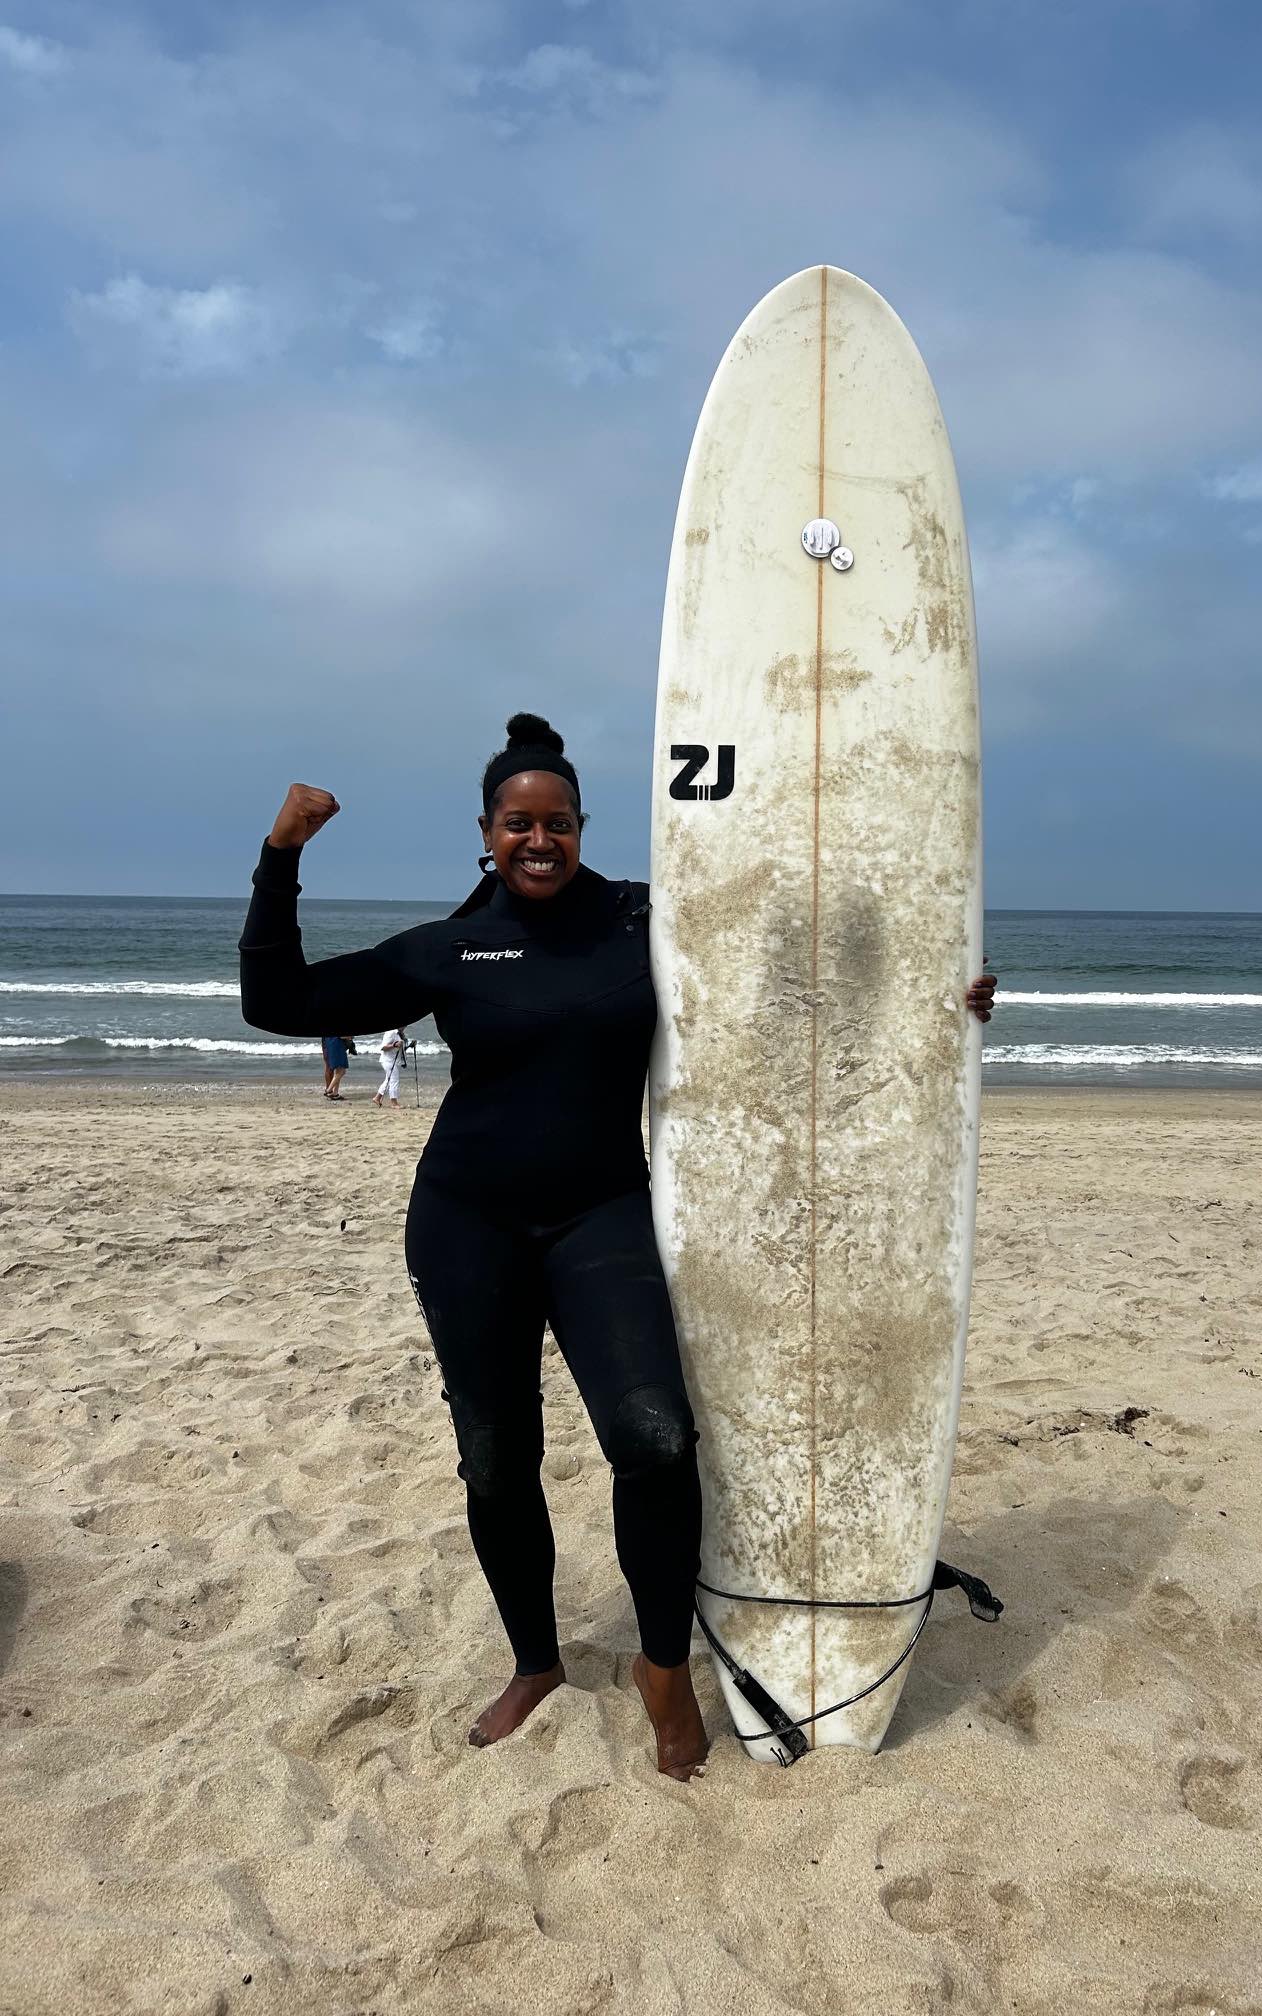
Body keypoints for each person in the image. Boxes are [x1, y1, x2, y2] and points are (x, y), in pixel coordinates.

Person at [239, 713, 997, 1780]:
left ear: (583, 828)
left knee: (656, 1442)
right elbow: (275, 1001)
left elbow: (797, 970)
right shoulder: (452, 948)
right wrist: (284, 854)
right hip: (466, 1224)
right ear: (487, 831)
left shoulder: (647, 920)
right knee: (497, 1462)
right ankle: (535, 1662)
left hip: (601, 1215)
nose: (537, 841)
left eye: (556, 823)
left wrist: (939, 995)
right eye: (516, 824)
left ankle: (660, 1667)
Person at [374, 1027, 406, 1108]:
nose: (405, 1027)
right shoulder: (391, 1032)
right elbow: (383, 1047)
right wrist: (394, 1045)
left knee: (388, 1080)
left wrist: (410, 1045)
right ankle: (394, 1102)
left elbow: (401, 1048)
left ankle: (377, 1098)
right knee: (394, 1079)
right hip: (387, 1060)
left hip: (393, 1061)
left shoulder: (400, 1034)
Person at [321, 1034, 352, 1099]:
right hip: (337, 1046)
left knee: (338, 1071)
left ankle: (335, 1093)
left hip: (332, 1045)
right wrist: (350, 1036)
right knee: (341, 1071)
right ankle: (328, 1090)